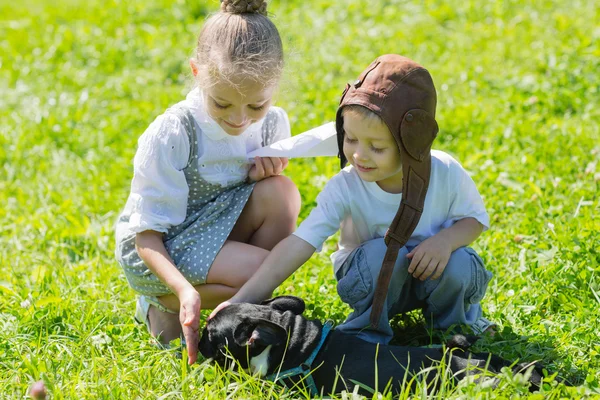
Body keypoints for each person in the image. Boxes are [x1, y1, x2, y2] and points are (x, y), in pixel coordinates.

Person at [211, 54, 494, 344]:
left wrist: (445, 242)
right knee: (382, 253)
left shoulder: (445, 171)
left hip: (431, 274)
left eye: (377, 147)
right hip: (371, 276)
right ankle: (365, 331)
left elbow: (475, 220)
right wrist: (242, 300)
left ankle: (455, 326)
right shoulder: (346, 186)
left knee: (460, 262)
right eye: (350, 139)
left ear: (412, 144)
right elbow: (300, 242)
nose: (359, 154)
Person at [115, 0, 301, 364]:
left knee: (282, 191)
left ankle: (240, 311)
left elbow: (248, 194)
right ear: (197, 72)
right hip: (165, 246)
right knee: (261, 269)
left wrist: (255, 177)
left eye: (255, 106)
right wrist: (183, 291)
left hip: (215, 230)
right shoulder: (174, 132)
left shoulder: (271, 123)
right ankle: (160, 304)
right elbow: (146, 237)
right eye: (222, 103)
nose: (238, 119)